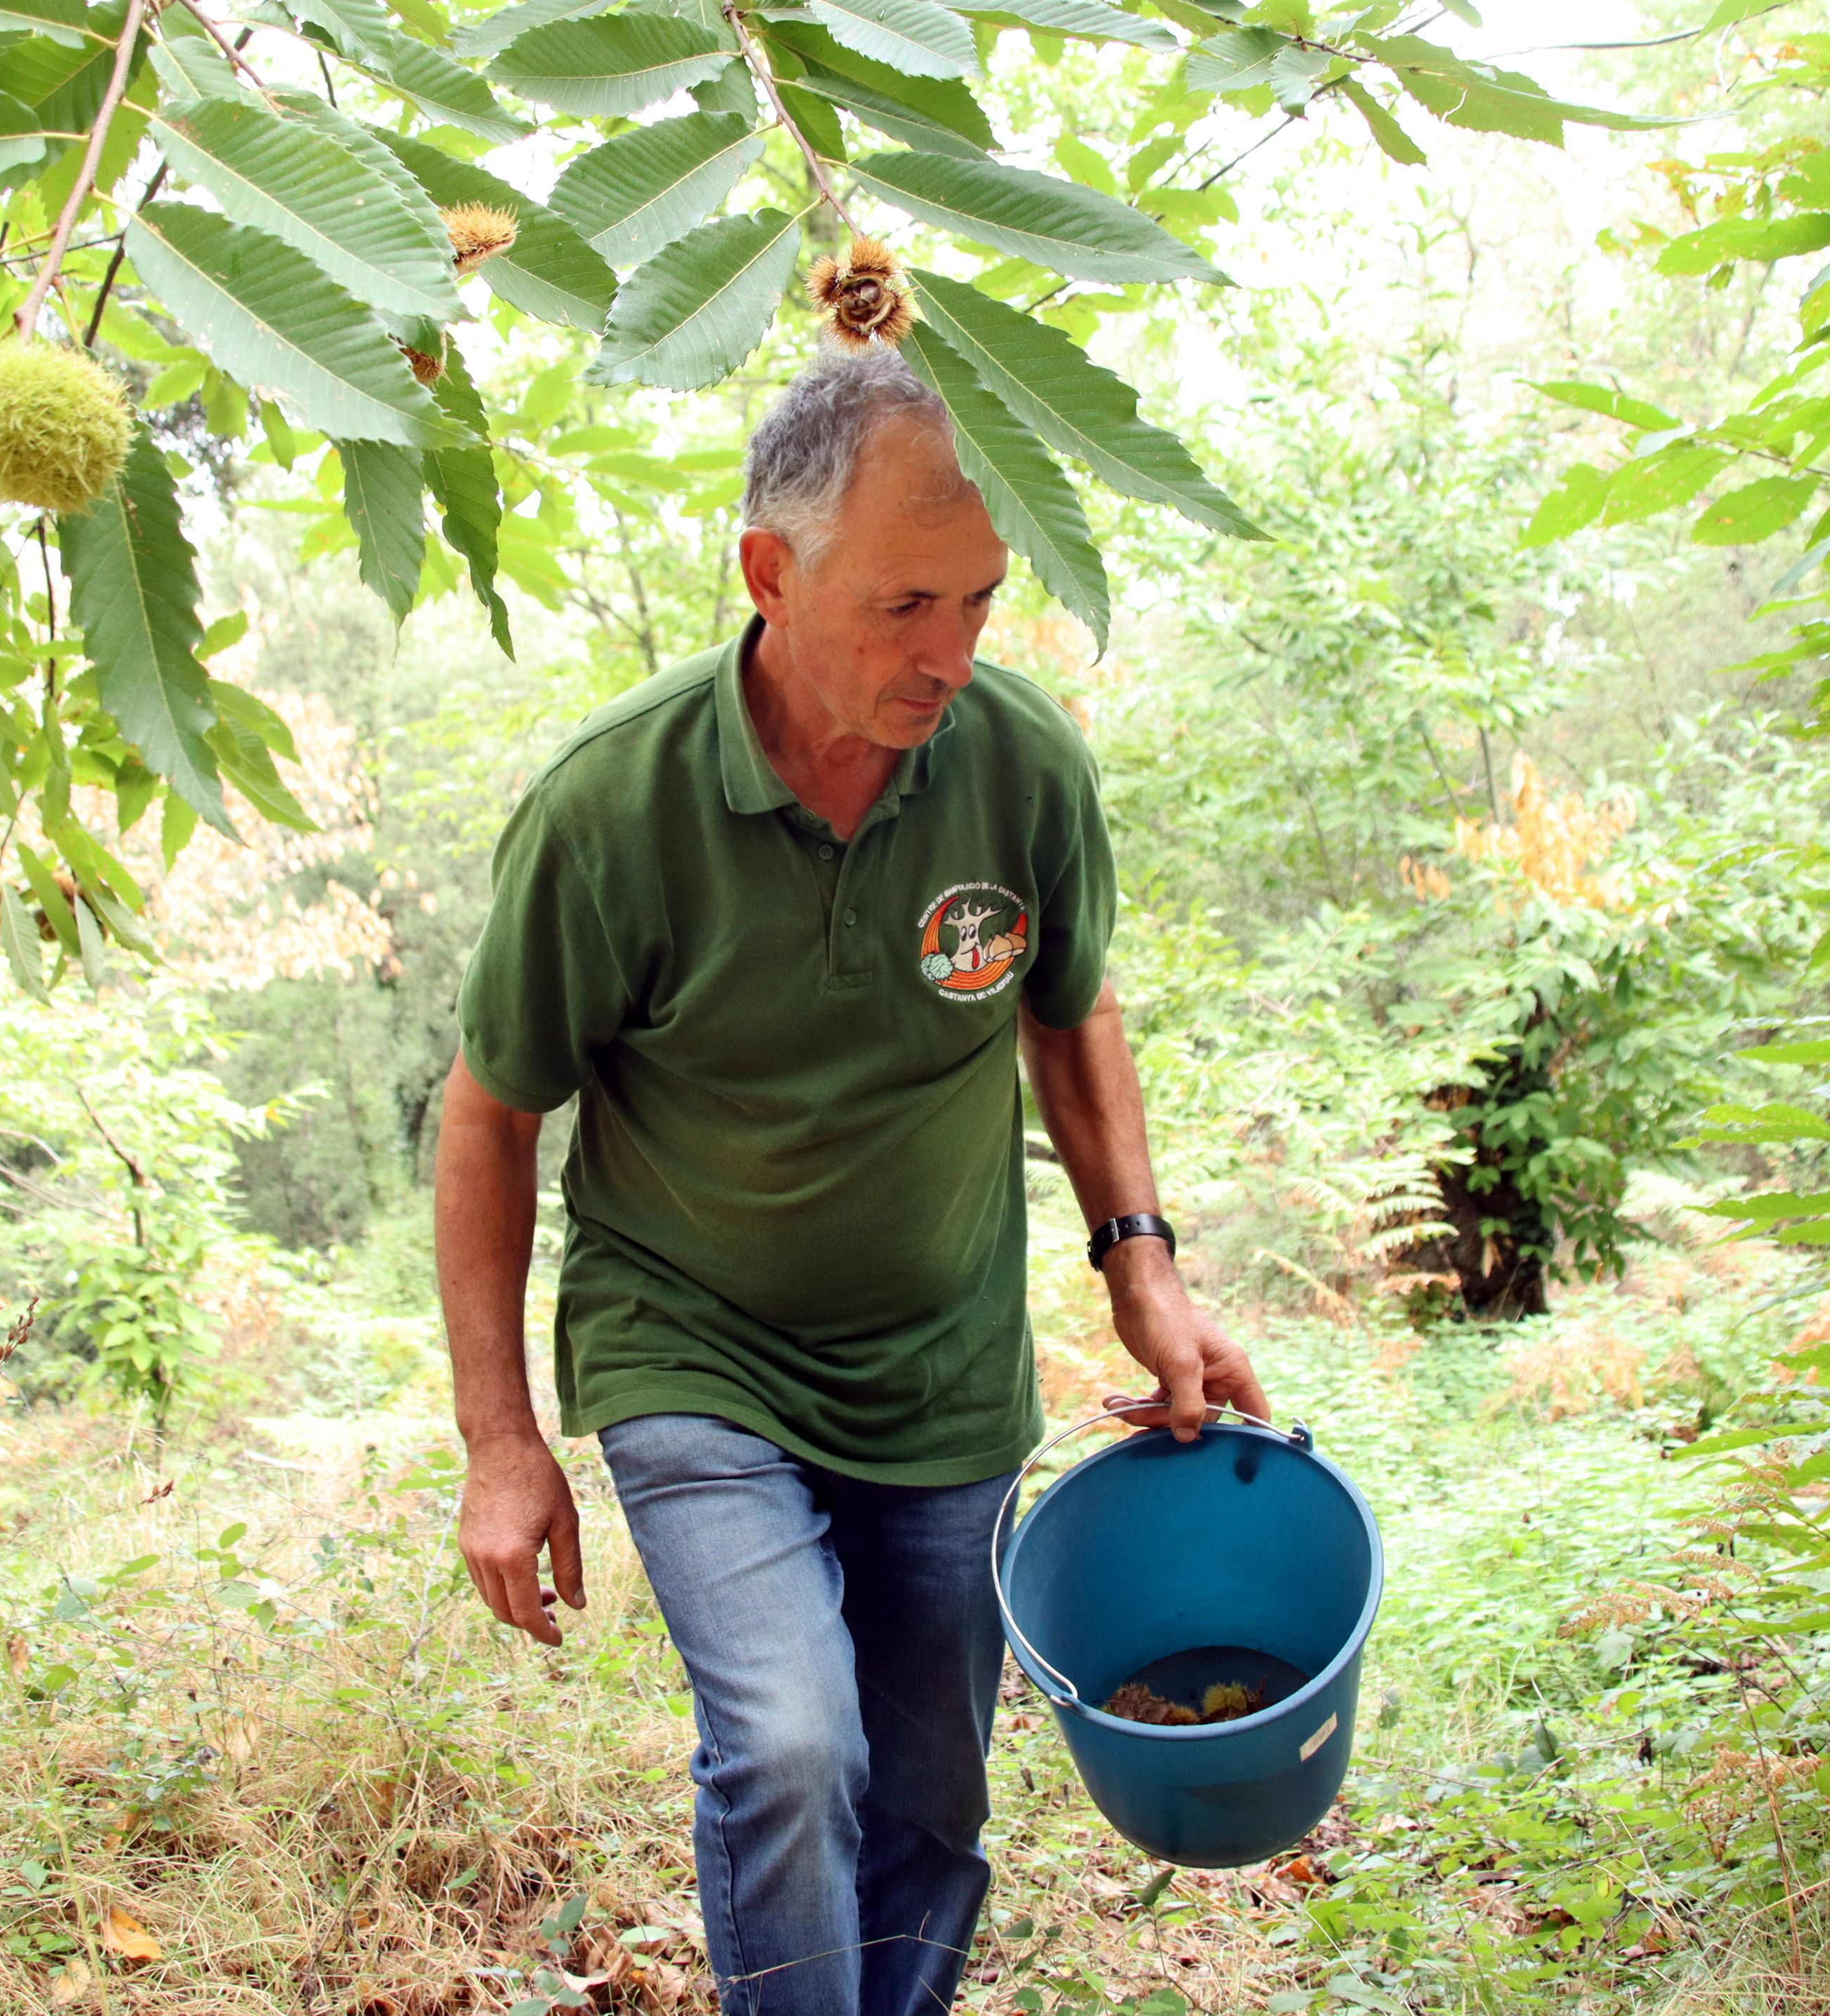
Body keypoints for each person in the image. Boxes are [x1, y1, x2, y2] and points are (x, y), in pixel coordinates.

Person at [434, 345, 1268, 2016]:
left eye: (977, 599)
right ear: (770, 570)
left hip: (944, 1366)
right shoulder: (614, 809)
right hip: (696, 1349)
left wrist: (1143, 1263)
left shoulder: (1019, 764)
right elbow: (487, 1116)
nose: (949, 653)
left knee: (934, 1794)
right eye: (902, 605)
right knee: (796, 1740)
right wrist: (502, 1437)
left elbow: (1073, 999)